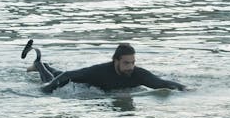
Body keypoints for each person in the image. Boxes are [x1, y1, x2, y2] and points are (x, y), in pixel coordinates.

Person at [21, 39, 186, 93]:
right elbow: (67, 76)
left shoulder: (138, 74)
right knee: (53, 78)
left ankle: (44, 64)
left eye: (133, 62)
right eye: (126, 63)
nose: (130, 67)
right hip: (84, 85)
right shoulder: (100, 71)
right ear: (116, 61)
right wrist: (45, 90)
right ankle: (40, 64)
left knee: (58, 72)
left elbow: (162, 83)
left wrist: (185, 89)